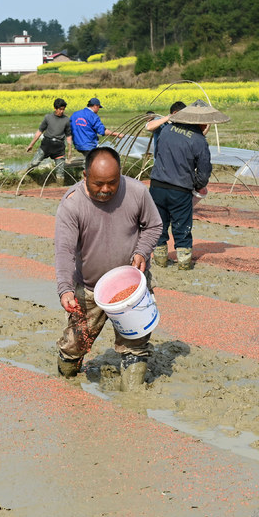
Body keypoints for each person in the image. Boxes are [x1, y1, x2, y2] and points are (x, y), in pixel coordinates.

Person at [54, 146, 163, 391]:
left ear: (120, 175)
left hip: (131, 289)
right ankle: (66, 383)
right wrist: (65, 290)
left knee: (135, 345)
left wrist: (141, 251)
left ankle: (131, 398)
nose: (105, 190)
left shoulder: (136, 192)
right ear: (85, 177)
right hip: (90, 289)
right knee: (74, 345)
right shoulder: (72, 205)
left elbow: (154, 225)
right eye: (98, 184)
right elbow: (64, 251)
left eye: (112, 183)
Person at [149, 100, 227, 270]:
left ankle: (160, 260)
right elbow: (204, 171)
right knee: (182, 226)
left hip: (156, 186)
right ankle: (184, 264)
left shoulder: (167, 130)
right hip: (180, 189)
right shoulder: (199, 141)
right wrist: (197, 185)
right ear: (201, 122)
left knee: (159, 224)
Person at [25, 97, 73, 184]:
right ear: (55, 108)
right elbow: (39, 132)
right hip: (46, 145)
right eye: (60, 109)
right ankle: (25, 173)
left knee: (60, 172)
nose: (62, 111)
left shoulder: (66, 120)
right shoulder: (48, 117)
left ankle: (60, 188)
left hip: (59, 147)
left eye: (63, 109)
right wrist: (31, 145)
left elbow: (69, 136)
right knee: (35, 163)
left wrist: (70, 150)